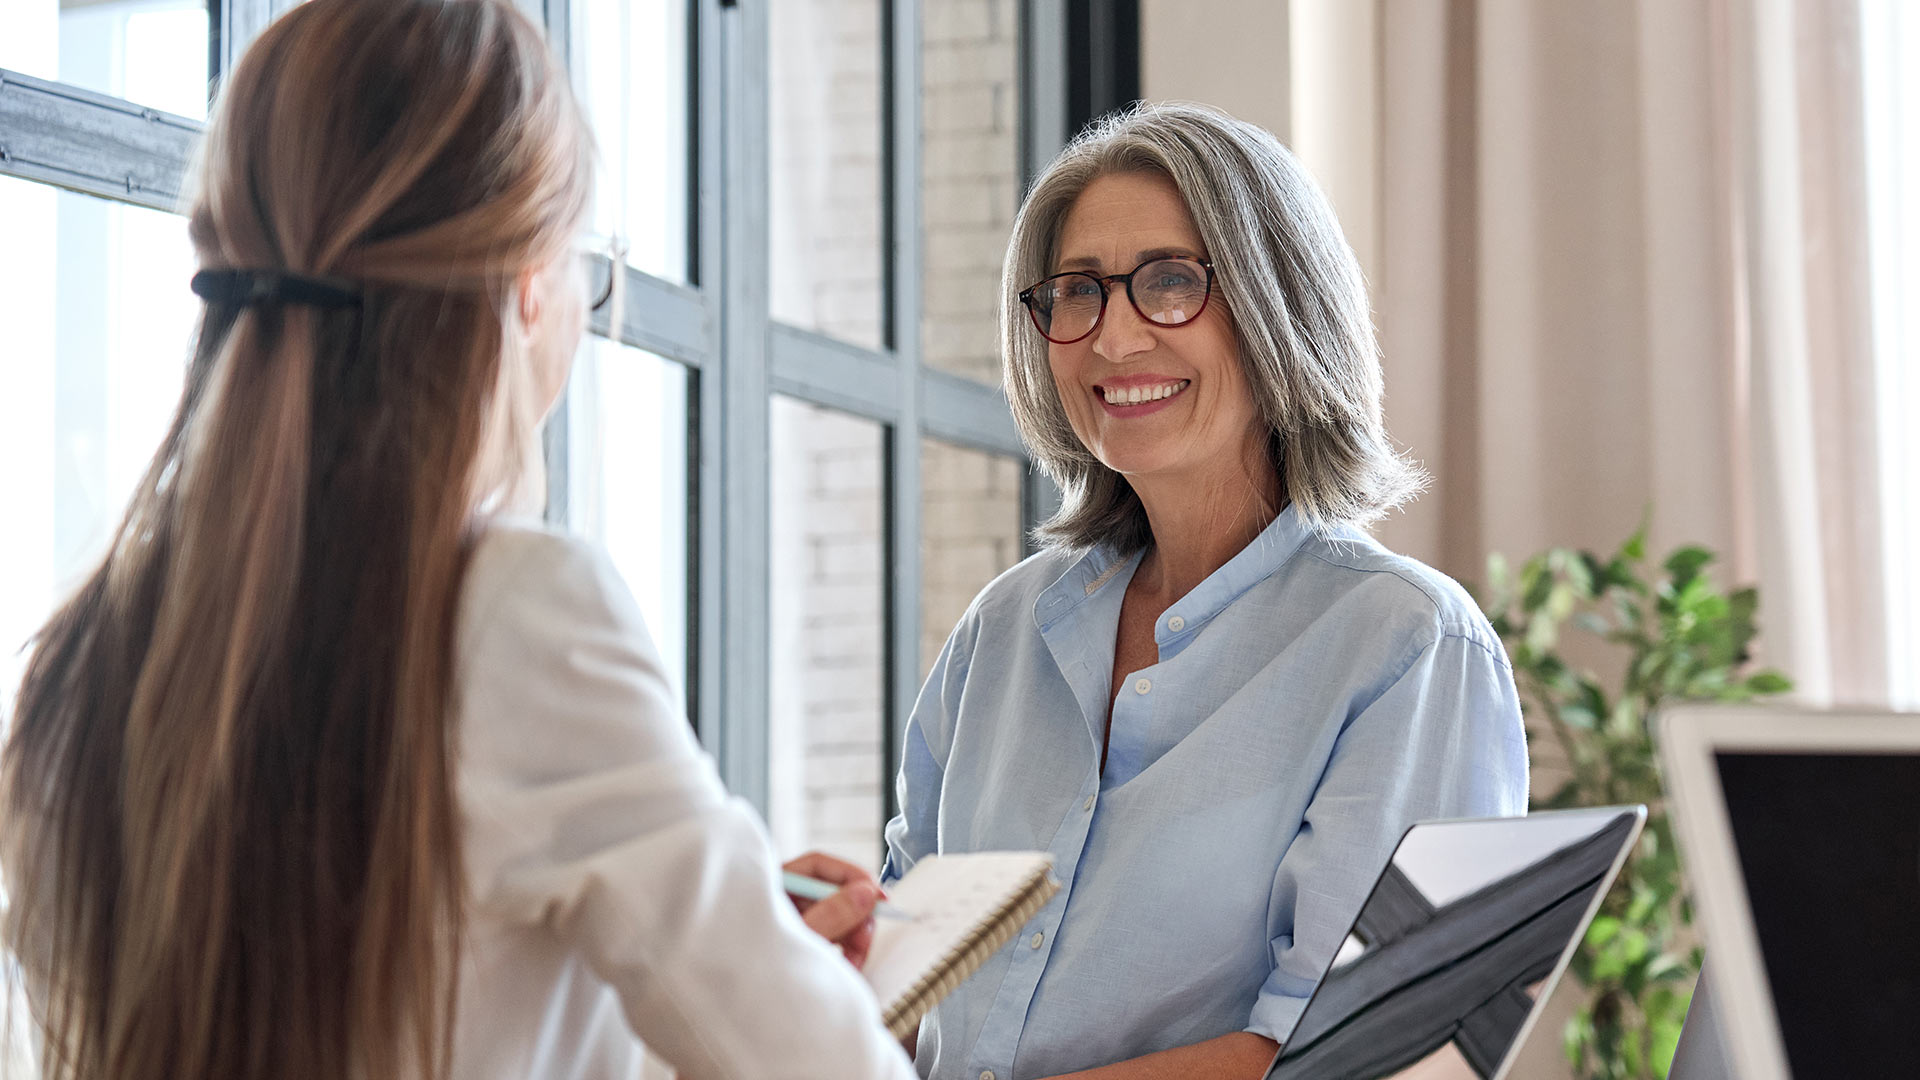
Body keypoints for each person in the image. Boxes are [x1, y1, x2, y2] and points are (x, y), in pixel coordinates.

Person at [0, 2, 913, 1078]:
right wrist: (767, 991)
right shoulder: (515, 613)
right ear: (527, 286)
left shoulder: (75, 663)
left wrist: (701, 966)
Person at [882, 102, 1530, 1080]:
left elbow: (1347, 1055)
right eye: (1076, 291)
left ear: (1281, 305)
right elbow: (895, 988)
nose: (1113, 337)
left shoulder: (1407, 646)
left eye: (1171, 281)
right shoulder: (1002, 634)